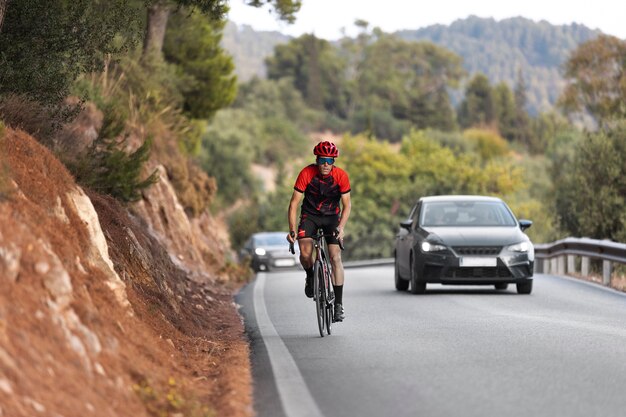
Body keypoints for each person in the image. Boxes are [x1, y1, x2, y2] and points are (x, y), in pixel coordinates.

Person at [286, 141, 352, 322]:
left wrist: (341, 227)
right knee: (306, 254)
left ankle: (338, 304)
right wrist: (292, 230)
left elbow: (347, 205)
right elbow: (293, 204)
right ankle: (310, 276)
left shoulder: (341, 176)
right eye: (322, 160)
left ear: (333, 161)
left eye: (329, 161)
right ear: (317, 159)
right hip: (310, 216)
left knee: (335, 257)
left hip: (332, 218)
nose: (325, 164)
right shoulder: (306, 173)